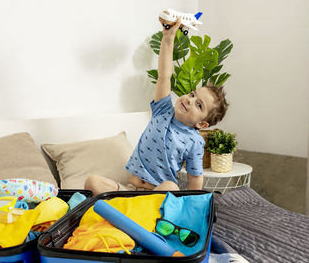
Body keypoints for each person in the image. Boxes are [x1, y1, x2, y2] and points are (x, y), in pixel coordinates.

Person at [85, 17, 228, 196]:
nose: (190, 100)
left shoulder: (195, 141)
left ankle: (143, 212)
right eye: (192, 94)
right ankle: (129, 209)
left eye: (199, 105)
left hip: (157, 194)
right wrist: (168, 37)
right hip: (129, 191)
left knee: (171, 187)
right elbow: (164, 76)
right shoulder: (163, 110)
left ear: (202, 124)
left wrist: (193, 203)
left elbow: (195, 176)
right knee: (92, 181)